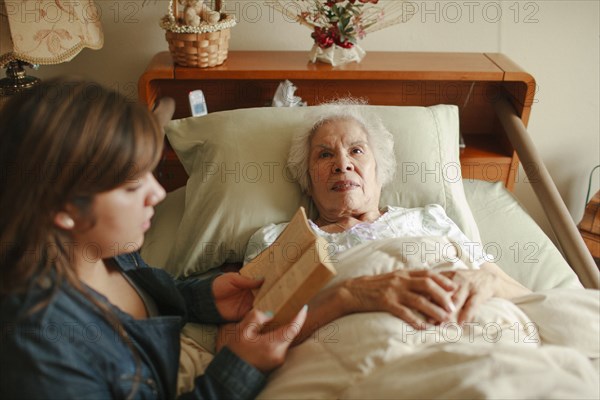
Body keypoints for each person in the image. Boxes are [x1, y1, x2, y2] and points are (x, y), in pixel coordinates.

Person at [0, 78, 306, 399]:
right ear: (63, 209)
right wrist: (241, 369)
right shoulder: (40, 352)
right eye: (132, 186)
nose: (158, 193)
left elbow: (142, 308)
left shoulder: (108, 248)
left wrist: (206, 298)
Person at [244, 99, 531, 343]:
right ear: (307, 179)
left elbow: (526, 296)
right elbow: (252, 338)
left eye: (356, 150)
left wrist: (488, 281)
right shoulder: (279, 239)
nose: (342, 164)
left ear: (380, 169)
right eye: (324, 154)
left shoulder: (430, 219)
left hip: (470, 331)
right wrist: (346, 296)